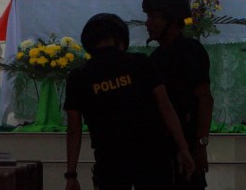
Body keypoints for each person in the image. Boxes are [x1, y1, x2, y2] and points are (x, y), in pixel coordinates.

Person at [63, 13, 195, 190]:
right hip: (151, 156)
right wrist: (183, 148)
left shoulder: (78, 77)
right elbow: (165, 106)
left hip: (110, 160)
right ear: (120, 39)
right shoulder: (140, 62)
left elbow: (74, 129)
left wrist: (71, 174)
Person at [142, 0, 214, 189]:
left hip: (186, 147)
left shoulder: (190, 51)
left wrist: (200, 147)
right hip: (161, 149)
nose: (148, 24)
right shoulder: (156, 56)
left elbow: (205, 99)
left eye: (154, 17)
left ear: (173, 22)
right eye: (148, 17)